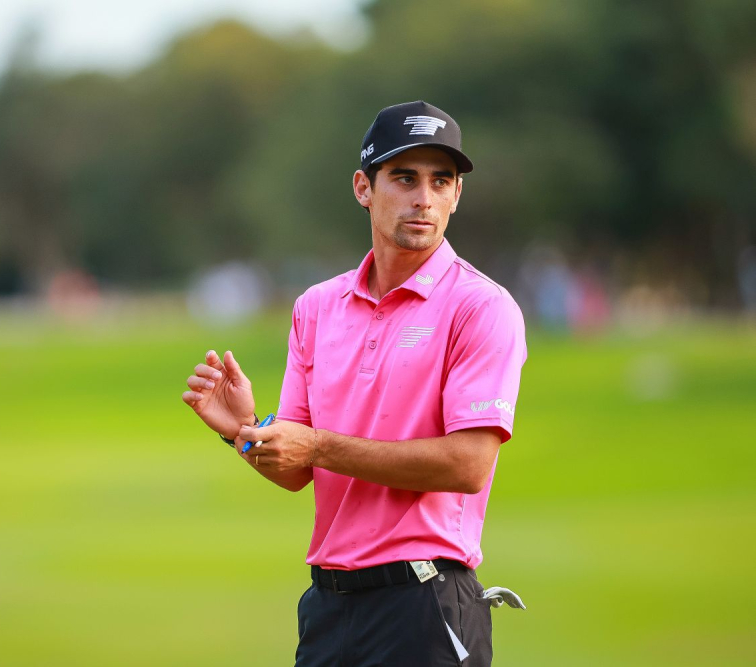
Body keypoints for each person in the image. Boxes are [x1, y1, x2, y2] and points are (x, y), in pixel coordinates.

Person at [182, 100, 527, 666]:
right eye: (404, 178)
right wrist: (246, 432)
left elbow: (468, 465)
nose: (424, 198)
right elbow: (296, 472)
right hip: (329, 606)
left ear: (457, 196)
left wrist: (314, 445)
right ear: (364, 188)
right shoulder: (317, 307)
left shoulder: (481, 307)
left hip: (426, 605)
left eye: (442, 181)